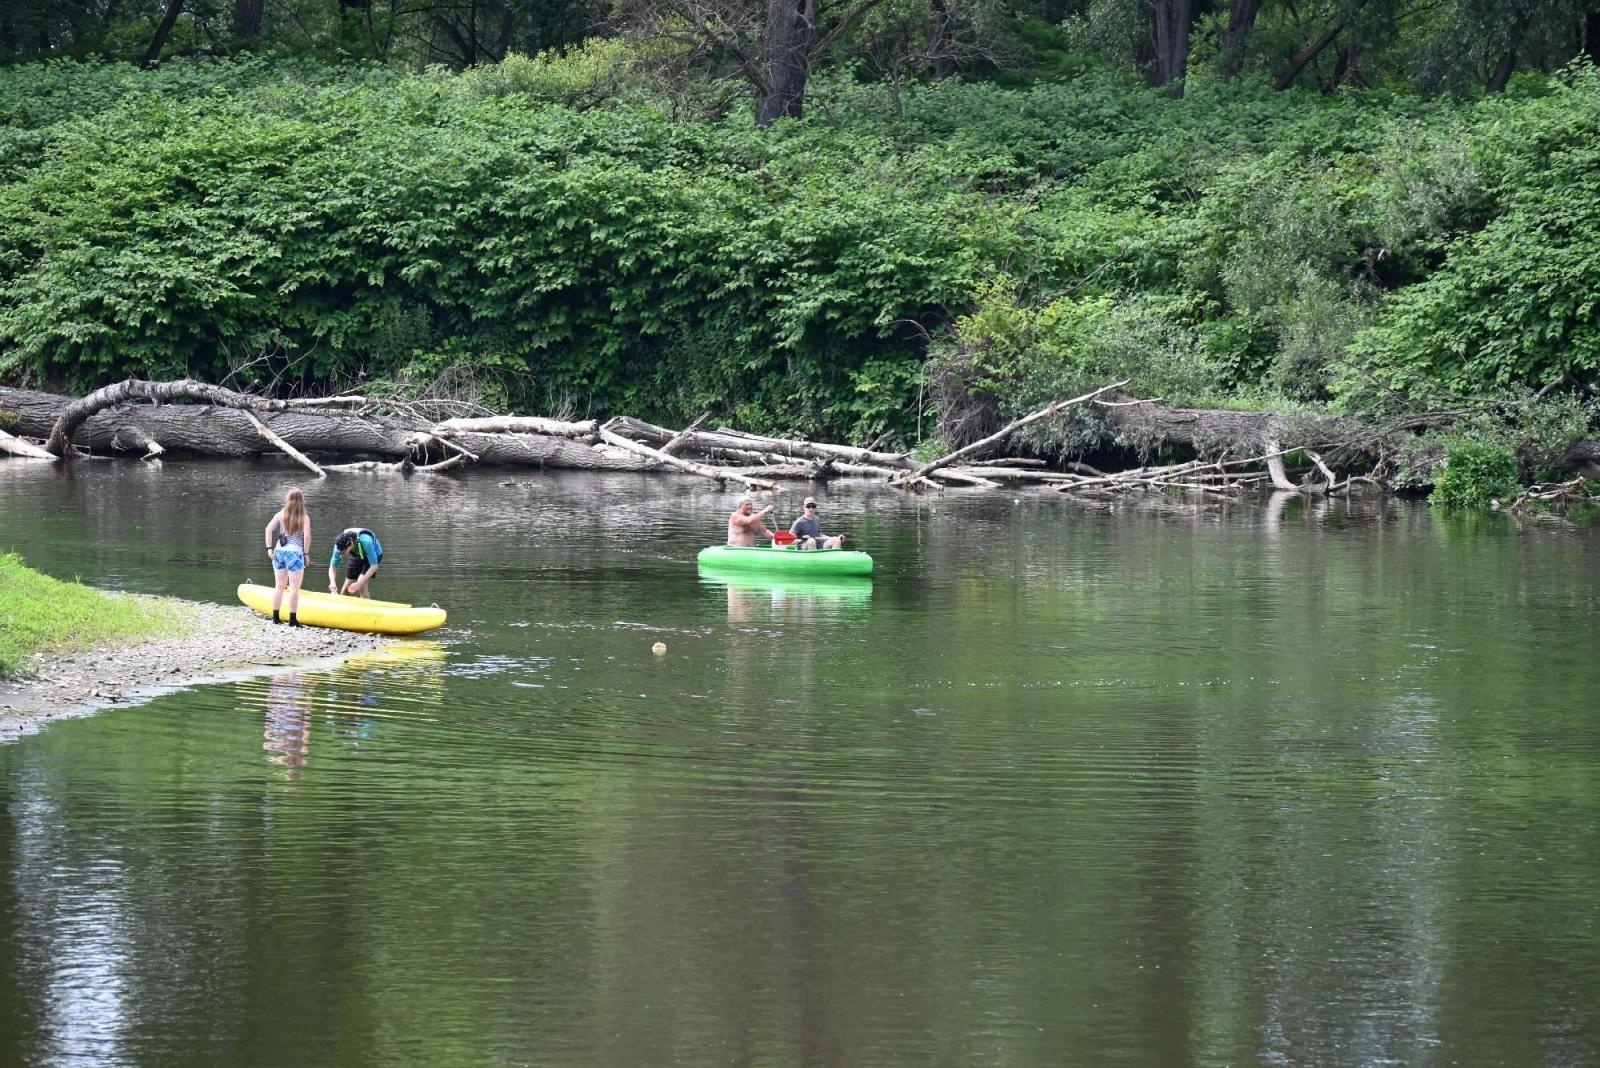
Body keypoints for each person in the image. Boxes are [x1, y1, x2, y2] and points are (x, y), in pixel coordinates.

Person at [264, 488, 311, 626]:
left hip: (279, 552)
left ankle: (276, 618)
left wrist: (269, 549)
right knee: (294, 588)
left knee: (279, 586)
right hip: (295, 554)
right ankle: (292, 620)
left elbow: (268, 529)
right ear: (302, 501)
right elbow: (307, 537)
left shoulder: (281, 514)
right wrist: (306, 553)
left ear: (287, 500)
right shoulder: (304, 517)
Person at [328, 527, 384, 598]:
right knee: (347, 588)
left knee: (362, 585)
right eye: (342, 550)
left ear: (351, 543)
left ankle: (365, 606)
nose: (344, 552)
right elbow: (332, 566)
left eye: (345, 550)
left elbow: (374, 566)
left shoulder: (366, 541)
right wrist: (332, 582)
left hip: (373, 553)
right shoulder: (339, 545)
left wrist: (359, 583)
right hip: (356, 552)